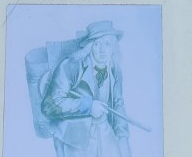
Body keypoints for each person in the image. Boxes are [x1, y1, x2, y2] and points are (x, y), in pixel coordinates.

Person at [41, 21, 132, 157]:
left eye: (107, 44)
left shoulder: (114, 69)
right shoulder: (71, 66)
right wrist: (88, 106)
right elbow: (49, 105)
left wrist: (123, 137)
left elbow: (119, 103)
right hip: (74, 134)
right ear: (90, 46)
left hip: (103, 128)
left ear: (113, 46)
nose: (102, 50)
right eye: (97, 44)